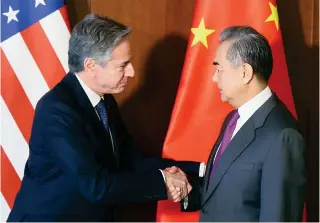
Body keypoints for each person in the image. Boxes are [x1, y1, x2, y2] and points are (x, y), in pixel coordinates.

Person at [7, 13, 204, 222]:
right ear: (91, 66)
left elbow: (131, 161)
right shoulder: (57, 110)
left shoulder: (105, 101)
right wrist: (165, 182)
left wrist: (199, 169)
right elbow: (96, 187)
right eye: (122, 65)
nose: (132, 72)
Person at [178, 26, 306, 221]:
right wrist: (186, 188)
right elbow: (226, 192)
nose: (214, 78)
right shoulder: (233, 119)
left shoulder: (283, 135)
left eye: (219, 69)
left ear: (245, 72)